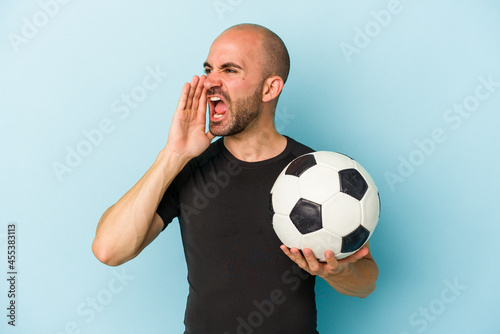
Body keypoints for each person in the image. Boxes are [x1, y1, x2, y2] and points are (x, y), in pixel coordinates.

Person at [92, 23, 378, 333]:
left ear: (270, 88)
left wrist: (335, 273)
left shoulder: (319, 172)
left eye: (229, 70)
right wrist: (173, 155)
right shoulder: (188, 167)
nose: (209, 82)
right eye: (208, 68)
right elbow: (109, 250)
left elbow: (365, 283)